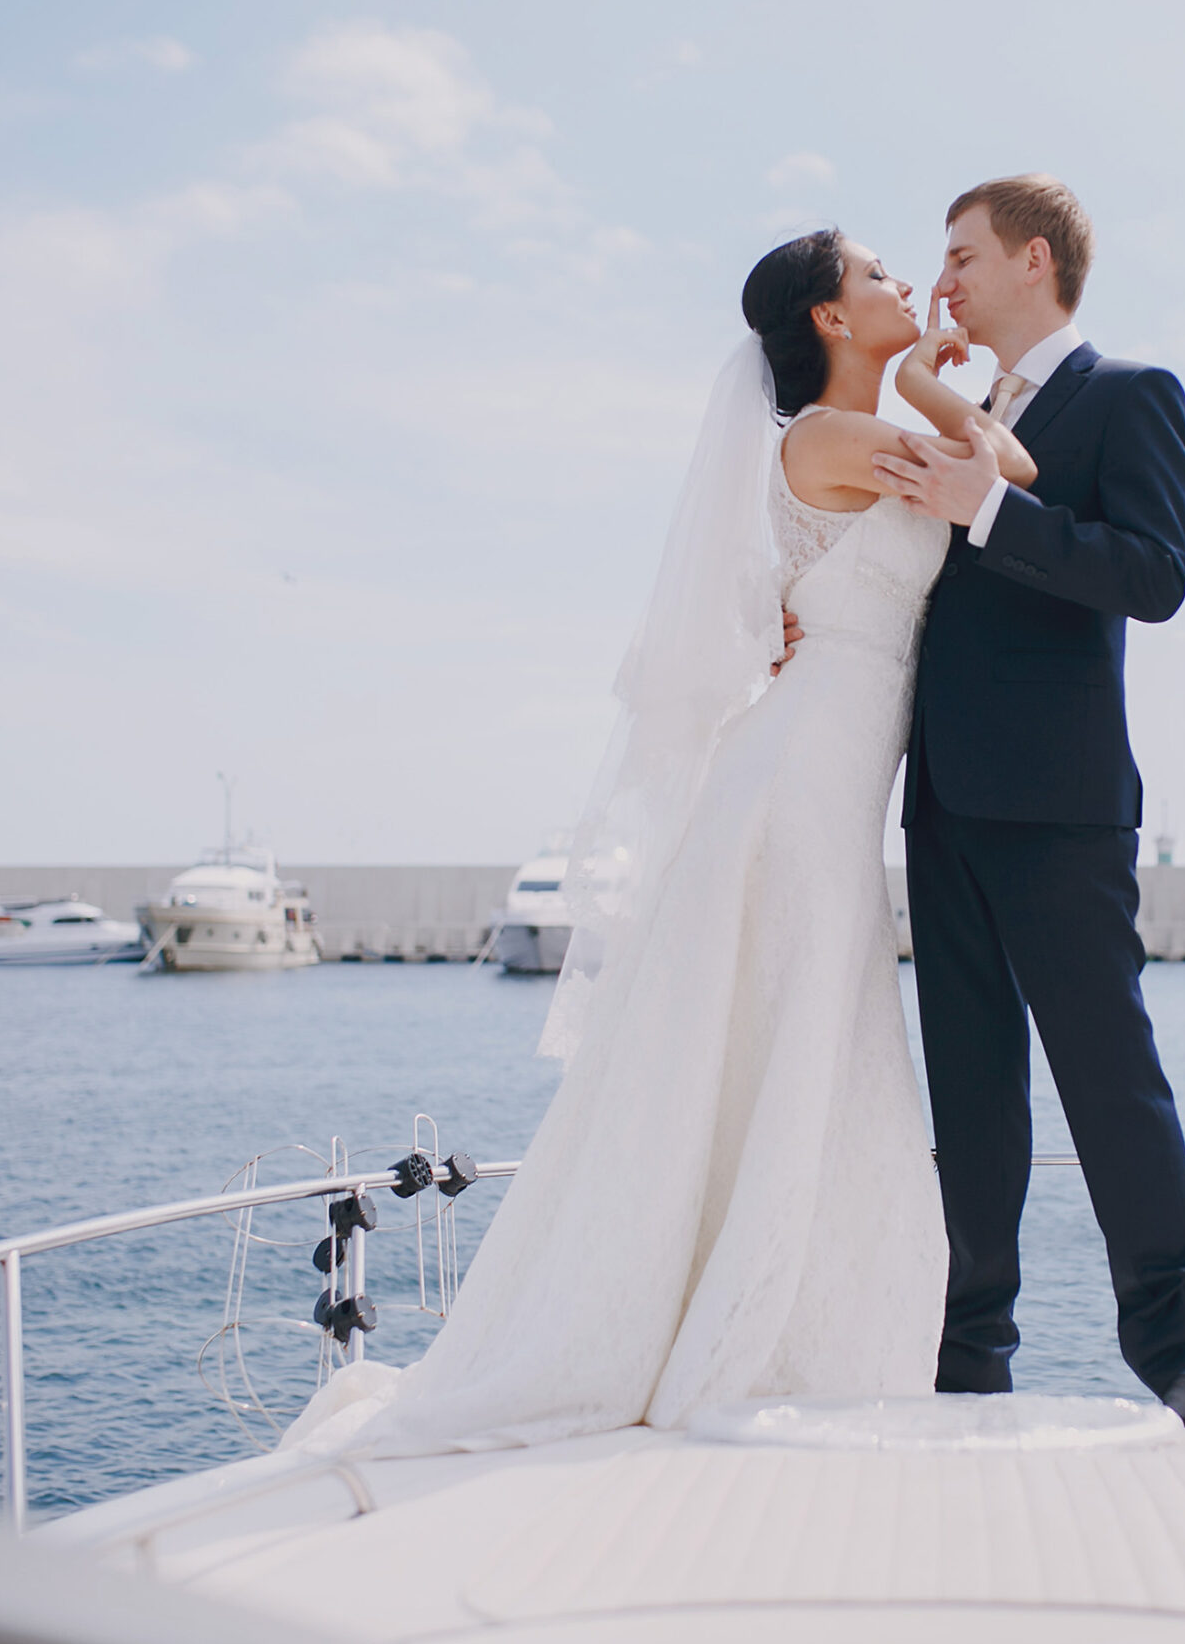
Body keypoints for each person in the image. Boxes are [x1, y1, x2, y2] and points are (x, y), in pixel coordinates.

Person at [280, 230, 1030, 1456]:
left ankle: (775, 1307)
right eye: (880, 276)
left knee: (804, 1036)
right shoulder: (830, 436)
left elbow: (983, 480)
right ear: (831, 321)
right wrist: (944, 379)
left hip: (827, 769)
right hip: (799, 780)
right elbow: (1006, 467)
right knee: (803, 1032)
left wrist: (933, 383)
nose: (904, 286)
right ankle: (740, 1324)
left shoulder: (840, 433)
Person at [868, 175, 1185, 1428]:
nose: (946, 279)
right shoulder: (964, 408)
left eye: (962, 256)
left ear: (1033, 261)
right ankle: (969, 1349)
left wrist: (992, 513)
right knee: (969, 1091)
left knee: (1108, 1077)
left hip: (1064, 804)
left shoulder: (1131, 396)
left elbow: (1154, 573)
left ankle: (1176, 1351)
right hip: (944, 802)